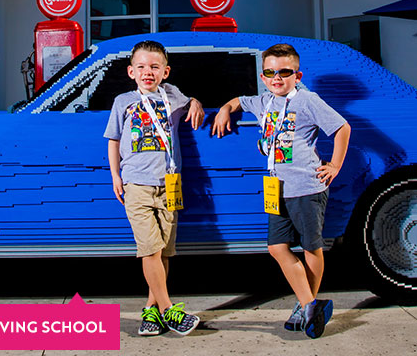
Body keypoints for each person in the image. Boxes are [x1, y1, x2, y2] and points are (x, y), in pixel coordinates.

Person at [212, 43, 350, 339]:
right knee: (276, 247)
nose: (277, 77)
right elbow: (239, 101)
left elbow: (342, 128)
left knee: (311, 246)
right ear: (263, 76)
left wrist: (335, 165)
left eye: (284, 72)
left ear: (297, 74)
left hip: (306, 187)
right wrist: (225, 108)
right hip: (278, 188)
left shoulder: (308, 100)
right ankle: (311, 304)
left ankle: (305, 308)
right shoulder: (265, 102)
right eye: (270, 72)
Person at [105, 40, 205, 337]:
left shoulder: (172, 95)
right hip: (137, 184)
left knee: (162, 252)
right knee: (149, 250)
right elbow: (112, 140)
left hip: (170, 183)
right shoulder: (123, 101)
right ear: (131, 71)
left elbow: (191, 102)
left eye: (154, 67)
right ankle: (170, 310)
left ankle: (152, 313)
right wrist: (115, 176)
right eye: (142, 67)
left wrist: (196, 101)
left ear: (165, 71)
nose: (148, 72)